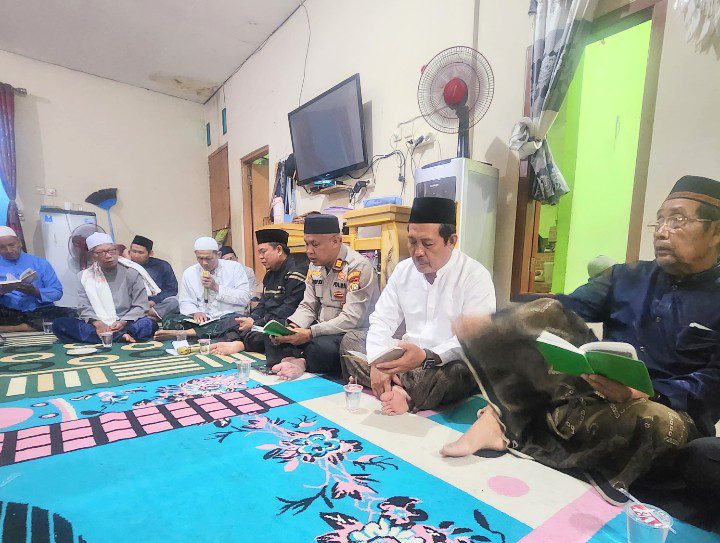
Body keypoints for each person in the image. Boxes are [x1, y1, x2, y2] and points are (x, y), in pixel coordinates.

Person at [442, 175, 720, 509]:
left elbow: (713, 383)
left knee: (657, 424)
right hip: (598, 389)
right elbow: (566, 307)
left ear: (716, 232)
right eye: (658, 221)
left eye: (677, 220)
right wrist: (495, 321)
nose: (661, 232)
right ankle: (501, 418)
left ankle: (511, 425)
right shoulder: (627, 276)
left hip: (668, 409)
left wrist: (648, 392)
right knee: (545, 314)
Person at [341, 197, 496, 415]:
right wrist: (377, 361)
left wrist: (426, 356)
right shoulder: (403, 270)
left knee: (460, 371)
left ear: (451, 241)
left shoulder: (475, 275)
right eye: (412, 242)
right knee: (350, 341)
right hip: (407, 356)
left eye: (427, 244)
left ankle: (400, 389)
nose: (418, 251)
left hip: (442, 360)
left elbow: (474, 339)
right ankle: (405, 389)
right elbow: (382, 319)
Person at [267, 214, 379, 380]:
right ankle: (298, 359)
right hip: (320, 330)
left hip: (348, 333)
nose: (309, 251)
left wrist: (310, 333)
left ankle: (300, 361)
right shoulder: (315, 267)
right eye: (306, 244)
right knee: (274, 339)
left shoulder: (358, 267)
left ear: (335, 241)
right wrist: (292, 327)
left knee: (322, 349)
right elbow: (308, 305)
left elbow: (352, 319)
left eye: (315, 244)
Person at [211, 229, 307, 356]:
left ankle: (240, 344)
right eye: (259, 252)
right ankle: (239, 340)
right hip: (266, 321)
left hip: (283, 322)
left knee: (271, 335)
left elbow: (288, 309)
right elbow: (263, 304)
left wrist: (256, 323)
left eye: (263, 251)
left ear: (279, 250)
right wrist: (251, 319)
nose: (260, 257)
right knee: (232, 321)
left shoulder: (295, 272)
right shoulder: (270, 274)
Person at [53, 233, 158, 343]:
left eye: (111, 251)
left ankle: (108, 337)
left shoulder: (132, 273)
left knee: (149, 324)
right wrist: (98, 324)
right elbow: (84, 307)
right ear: (92, 255)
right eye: (101, 252)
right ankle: (118, 337)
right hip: (98, 324)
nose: (108, 256)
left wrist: (123, 322)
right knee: (59, 324)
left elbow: (141, 306)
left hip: (127, 322)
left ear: (117, 251)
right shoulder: (84, 277)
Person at [156, 237, 250, 340]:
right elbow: (185, 301)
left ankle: (188, 333)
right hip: (202, 320)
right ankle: (204, 332)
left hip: (226, 317)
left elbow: (244, 298)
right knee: (168, 319)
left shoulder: (235, 268)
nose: (204, 263)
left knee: (234, 321)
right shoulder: (189, 273)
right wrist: (195, 312)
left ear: (218, 255)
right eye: (200, 258)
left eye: (208, 259)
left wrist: (216, 287)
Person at [0, 226, 71, 332]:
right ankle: (26, 327)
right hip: (9, 312)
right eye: (2, 247)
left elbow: (57, 292)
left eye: (12, 245)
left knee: (71, 314)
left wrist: (35, 292)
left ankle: (14, 328)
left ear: (19, 243)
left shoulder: (40, 263)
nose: (8, 250)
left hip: (39, 311)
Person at [128, 235, 179, 319]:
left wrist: (154, 301)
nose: (136, 255)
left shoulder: (162, 266)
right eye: (133, 251)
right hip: (133, 303)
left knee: (174, 302)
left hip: (154, 303)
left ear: (150, 253)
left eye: (140, 253)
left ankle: (142, 315)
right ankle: (152, 316)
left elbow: (171, 289)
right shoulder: (125, 265)